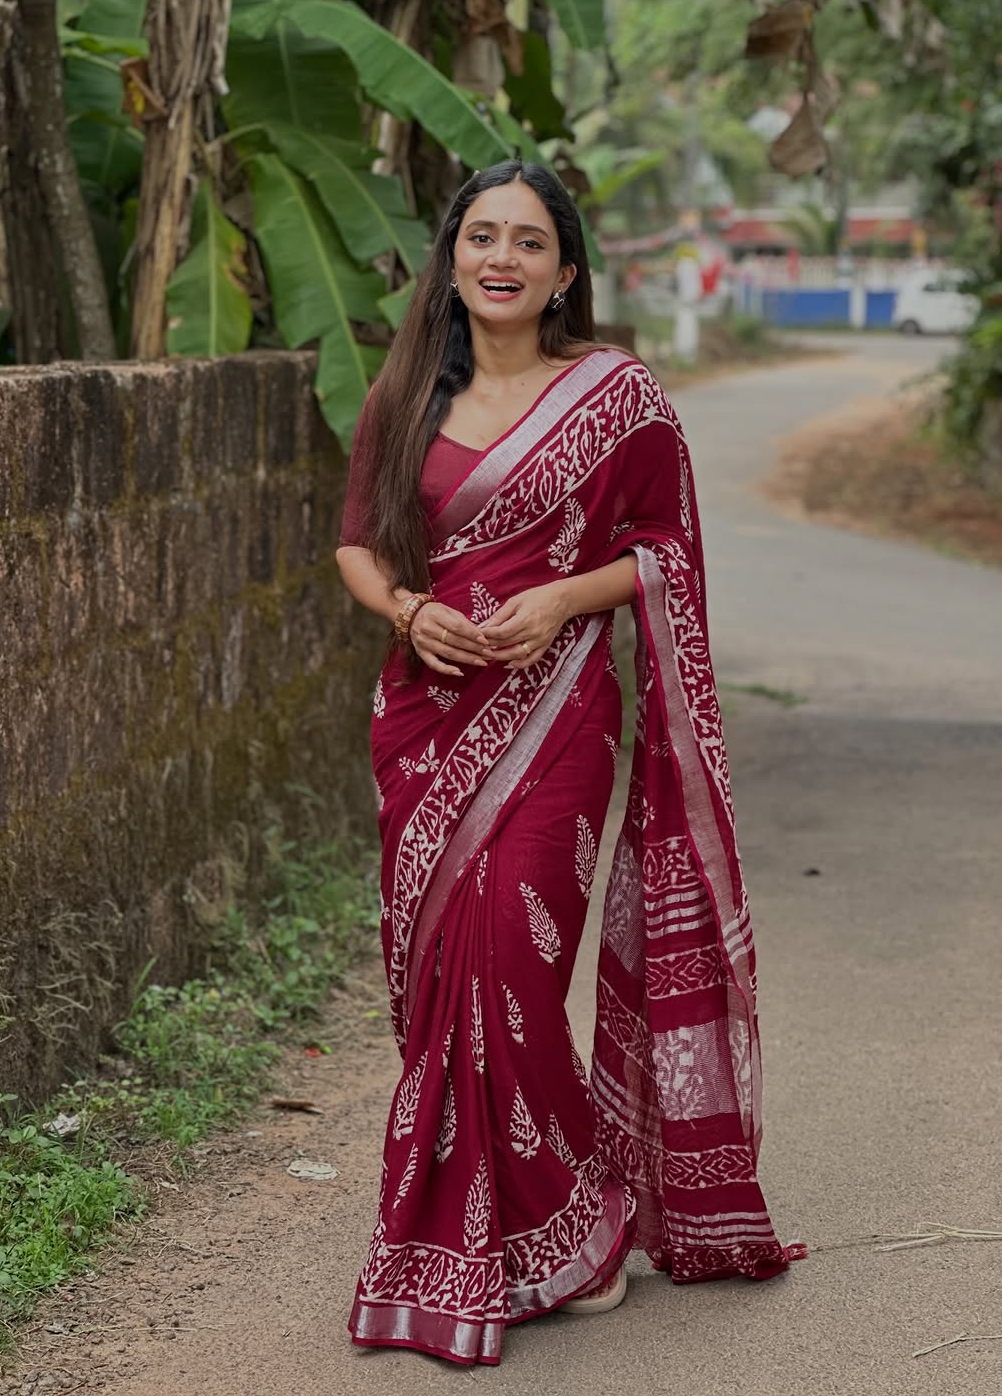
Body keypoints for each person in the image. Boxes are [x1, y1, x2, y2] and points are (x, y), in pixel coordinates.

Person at [335, 160, 804, 1367]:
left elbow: (665, 551)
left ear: (565, 272)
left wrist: (558, 603)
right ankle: (499, 1227)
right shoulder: (403, 399)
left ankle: (569, 1231)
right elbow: (353, 549)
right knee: (442, 971)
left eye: (528, 242)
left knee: (510, 960)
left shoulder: (616, 397)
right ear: (449, 260)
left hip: (559, 719)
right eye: (480, 236)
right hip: (427, 719)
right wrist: (405, 613)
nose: (501, 258)